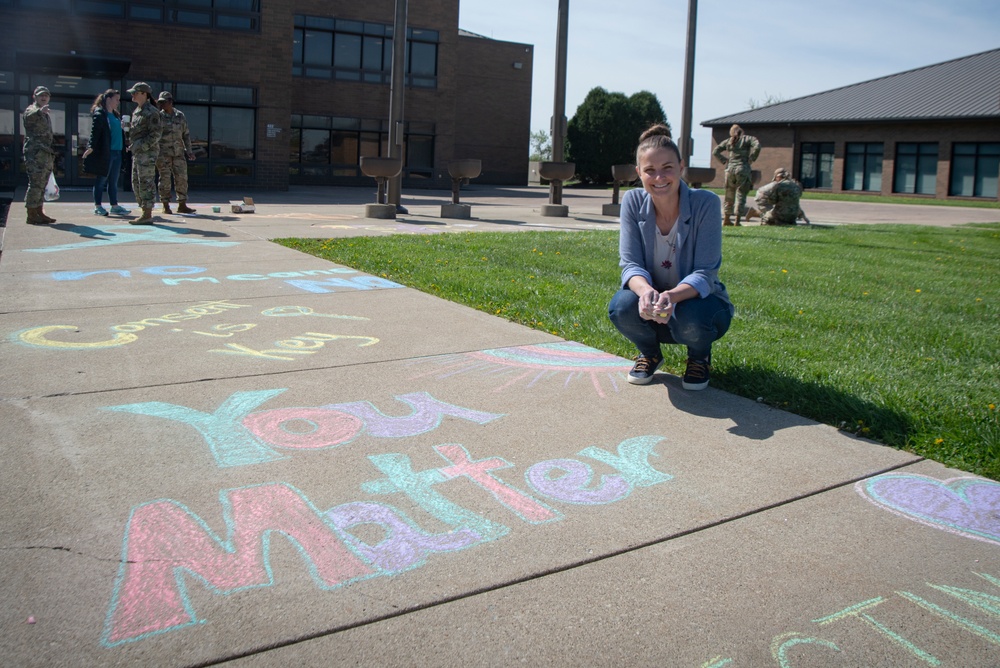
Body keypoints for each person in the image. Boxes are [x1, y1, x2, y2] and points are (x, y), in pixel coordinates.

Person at [608, 124, 734, 390]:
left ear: (681, 167)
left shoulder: (706, 203)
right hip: (654, 305)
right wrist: (645, 294)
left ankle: (699, 357)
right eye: (650, 170)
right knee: (621, 306)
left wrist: (671, 297)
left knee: (691, 317)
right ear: (638, 173)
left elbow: (705, 272)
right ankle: (649, 354)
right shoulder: (632, 202)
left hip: (699, 307)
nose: (659, 177)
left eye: (667, 168)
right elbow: (630, 264)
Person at [82, 89, 130, 217]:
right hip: (106, 152)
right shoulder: (100, 113)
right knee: (101, 179)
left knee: (113, 181)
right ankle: (98, 206)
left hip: (117, 152)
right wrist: (91, 146)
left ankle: (114, 206)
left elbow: (117, 133)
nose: (118, 102)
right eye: (116, 99)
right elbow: (95, 131)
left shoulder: (115, 115)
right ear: (108, 99)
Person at [126, 82, 161, 225]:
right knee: (136, 182)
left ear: (144, 94)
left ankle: (147, 213)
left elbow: (156, 134)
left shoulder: (151, 111)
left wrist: (140, 145)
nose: (133, 95)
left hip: (147, 153)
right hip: (138, 153)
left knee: (146, 182)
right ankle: (144, 210)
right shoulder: (137, 111)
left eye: (135, 92)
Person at [155, 91, 196, 214]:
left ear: (170, 102)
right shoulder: (158, 116)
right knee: (165, 180)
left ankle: (182, 204)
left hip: (178, 153)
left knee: (182, 178)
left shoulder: (180, 116)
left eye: (164, 102)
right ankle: (165, 205)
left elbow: (186, 135)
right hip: (163, 154)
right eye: (160, 102)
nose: (162, 104)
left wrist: (189, 151)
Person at [22, 85, 57, 225]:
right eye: (41, 95)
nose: (43, 97)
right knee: (35, 183)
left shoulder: (45, 113)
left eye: (46, 95)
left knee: (42, 184)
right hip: (35, 153)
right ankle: (31, 214)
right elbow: (28, 118)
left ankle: (39, 212)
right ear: (34, 97)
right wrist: (39, 112)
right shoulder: (32, 110)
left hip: (45, 153)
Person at [712, 124, 760, 227]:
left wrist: (724, 160)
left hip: (729, 170)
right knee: (740, 194)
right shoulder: (748, 139)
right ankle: (737, 220)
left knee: (729, 195)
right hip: (742, 169)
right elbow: (757, 146)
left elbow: (715, 151)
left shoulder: (728, 141)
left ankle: (726, 219)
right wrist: (752, 158)